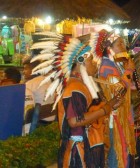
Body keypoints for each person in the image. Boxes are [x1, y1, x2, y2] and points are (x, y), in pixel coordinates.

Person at [31, 32, 125, 167]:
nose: (94, 64)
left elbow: (90, 111)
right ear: (81, 63)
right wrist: (105, 109)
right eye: (91, 61)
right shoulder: (74, 88)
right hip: (78, 152)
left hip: (88, 146)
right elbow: (74, 121)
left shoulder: (81, 86)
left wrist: (111, 105)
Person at [91, 29, 136, 168]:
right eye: (120, 44)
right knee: (117, 153)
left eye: (123, 44)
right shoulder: (106, 66)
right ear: (109, 48)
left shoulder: (115, 65)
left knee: (122, 151)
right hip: (115, 119)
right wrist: (128, 71)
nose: (124, 47)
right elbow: (118, 92)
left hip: (121, 116)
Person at [22, 58, 54, 133]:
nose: (23, 72)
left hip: (37, 123)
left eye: (26, 69)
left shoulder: (29, 84)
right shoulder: (49, 81)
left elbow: (27, 109)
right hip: (51, 120)